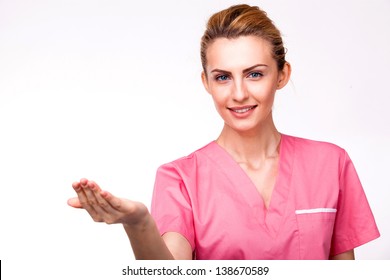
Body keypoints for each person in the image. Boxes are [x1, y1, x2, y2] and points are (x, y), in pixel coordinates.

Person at [67, 4, 380, 260]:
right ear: (206, 83)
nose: (239, 93)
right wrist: (138, 223)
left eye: (254, 74)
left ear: (282, 75)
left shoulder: (330, 164)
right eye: (222, 78)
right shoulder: (180, 178)